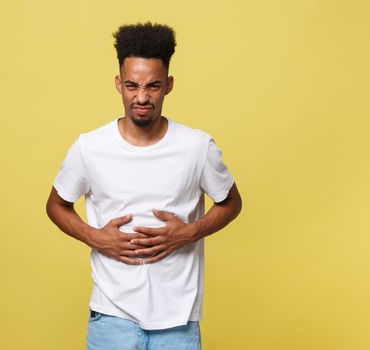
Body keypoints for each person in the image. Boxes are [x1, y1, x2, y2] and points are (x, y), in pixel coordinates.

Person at [46, 22, 242, 350]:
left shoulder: (197, 147)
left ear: (168, 85)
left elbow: (231, 202)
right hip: (111, 318)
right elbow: (56, 203)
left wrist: (189, 232)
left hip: (177, 323)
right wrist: (94, 237)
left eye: (152, 86)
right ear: (118, 84)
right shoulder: (90, 147)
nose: (141, 97)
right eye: (132, 85)